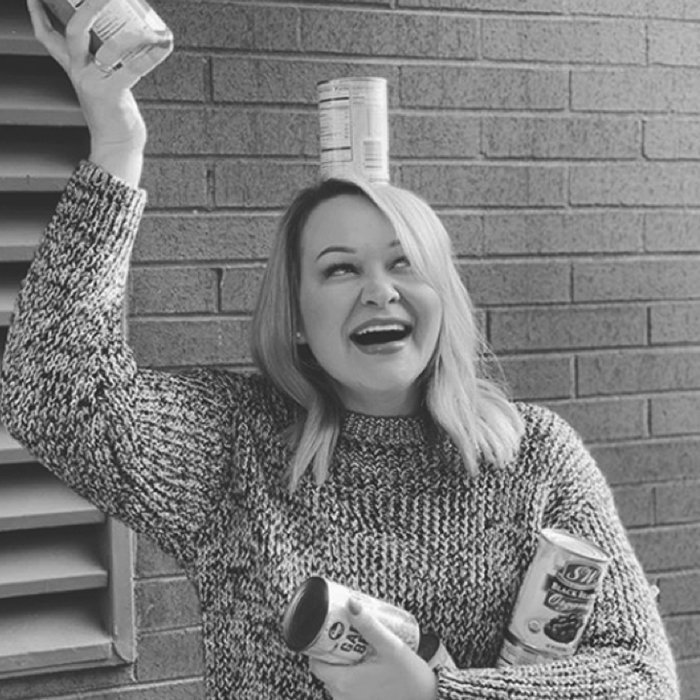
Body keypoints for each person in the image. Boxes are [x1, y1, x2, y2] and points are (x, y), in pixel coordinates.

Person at [0, 2, 680, 699]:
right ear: (297, 315)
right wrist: (117, 142)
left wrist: (434, 696)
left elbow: (641, 677)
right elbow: (51, 392)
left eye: (403, 262)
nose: (379, 291)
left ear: (441, 293)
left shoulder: (536, 457)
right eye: (340, 268)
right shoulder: (237, 448)